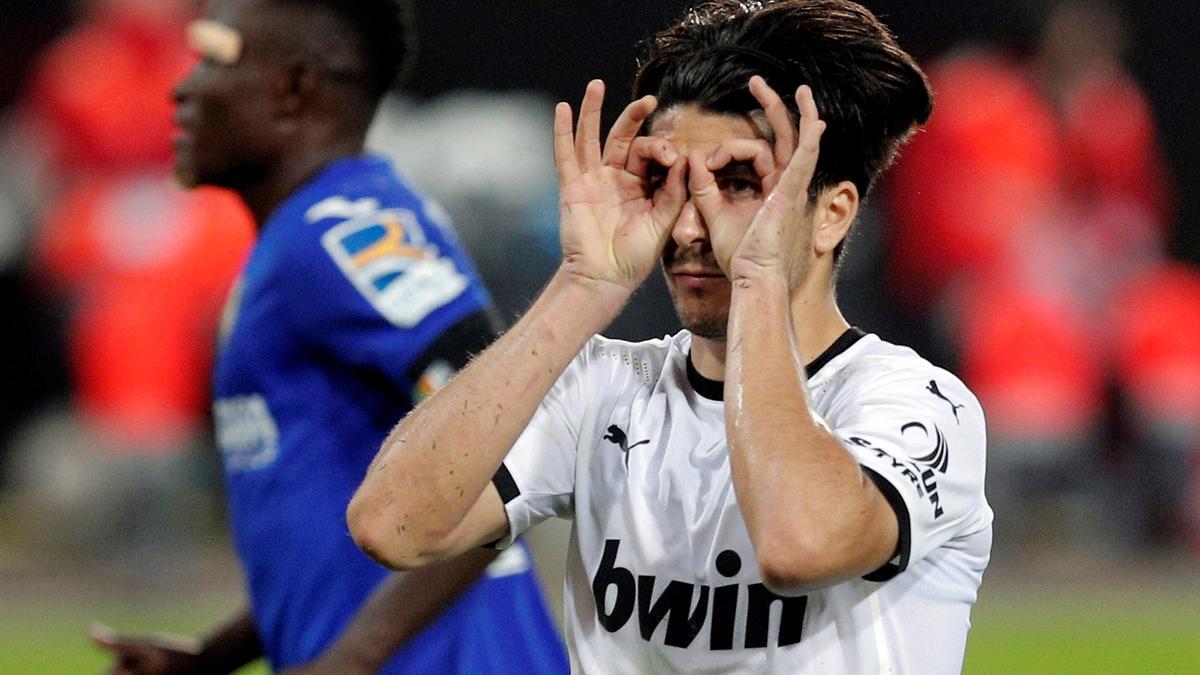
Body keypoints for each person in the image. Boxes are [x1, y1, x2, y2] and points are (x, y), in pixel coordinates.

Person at [348, 0, 993, 673]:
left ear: (830, 215)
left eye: (739, 184)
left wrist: (758, 281)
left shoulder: (912, 404)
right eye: (665, 182)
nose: (690, 227)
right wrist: (581, 287)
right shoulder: (602, 390)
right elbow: (390, 522)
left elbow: (798, 544)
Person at [88, 0, 567, 673]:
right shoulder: (301, 237)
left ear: (292, 87)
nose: (183, 87)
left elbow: (511, 434)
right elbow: (339, 536)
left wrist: (350, 658)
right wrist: (212, 655)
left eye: (213, 60)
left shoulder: (345, 230)